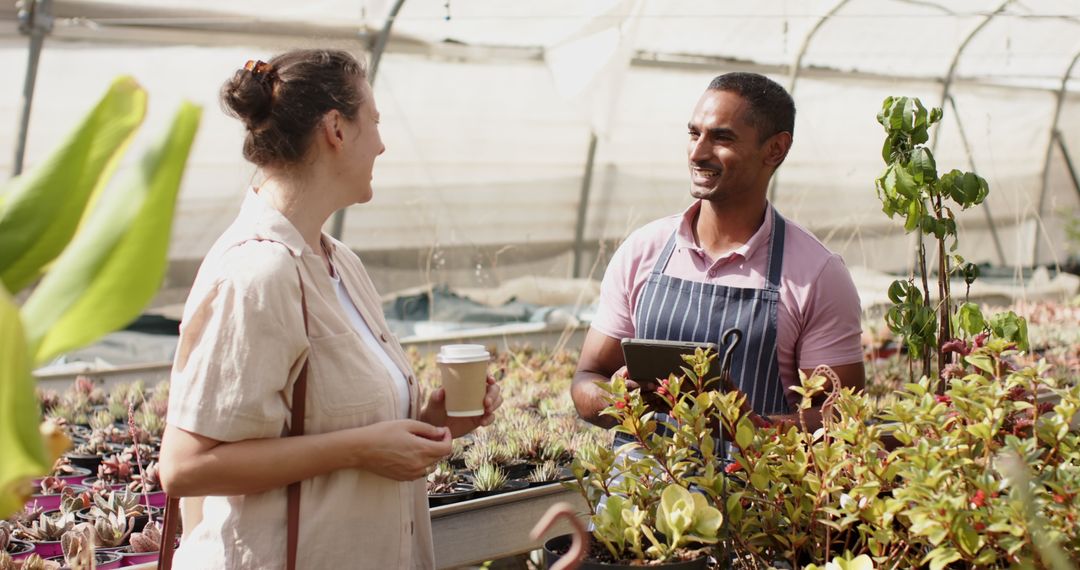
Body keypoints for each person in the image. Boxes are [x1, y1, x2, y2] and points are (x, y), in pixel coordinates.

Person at [158, 49, 502, 569]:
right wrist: (360, 448)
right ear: (336, 129)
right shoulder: (258, 274)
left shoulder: (339, 263)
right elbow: (186, 467)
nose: (382, 144)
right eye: (375, 122)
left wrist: (436, 424)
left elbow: (331, 427)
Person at [572, 72, 864, 436]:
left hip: (754, 474)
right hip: (643, 474)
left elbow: (841, 418)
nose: (697, 153)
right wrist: (620, 398)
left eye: (722, 138)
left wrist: (747, 426)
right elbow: (587, 378)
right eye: (694, 134)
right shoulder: (643, 250)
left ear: (775, 149)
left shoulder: (816, 274)